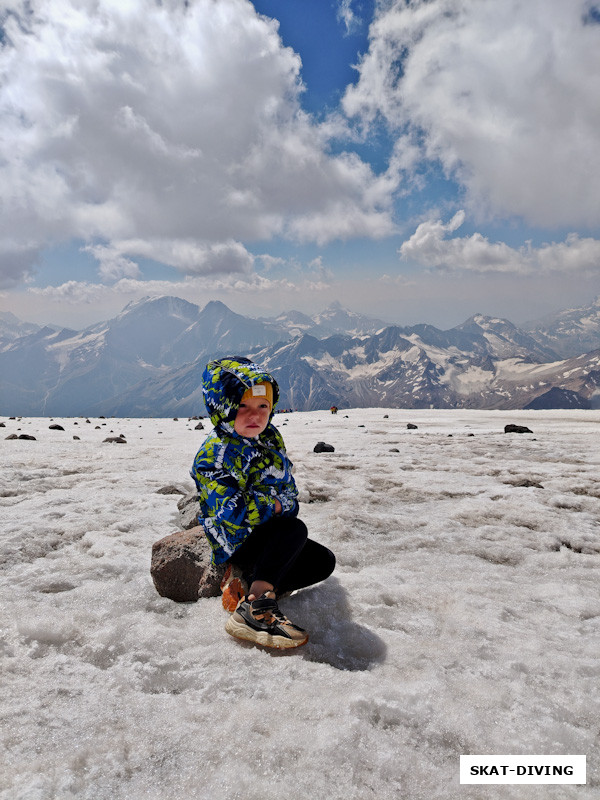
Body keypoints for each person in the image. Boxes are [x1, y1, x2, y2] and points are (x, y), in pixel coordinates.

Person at [191, 356, 335, 649]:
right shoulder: (214, 455)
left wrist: (280, 505)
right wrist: (277, 506)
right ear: (223, 407)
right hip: (237, 541)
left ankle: (254, 583)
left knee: (323, 561)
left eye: (263, 406)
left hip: (269, 534)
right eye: (242, 406)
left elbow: (289, 492)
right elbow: (235, 512)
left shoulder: (269, 439)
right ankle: (255, 608)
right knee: (292, 530)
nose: (254, 415)